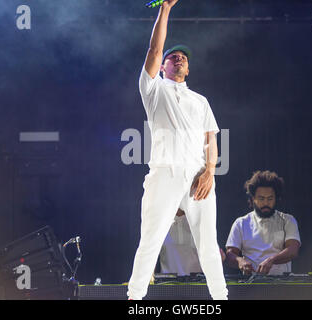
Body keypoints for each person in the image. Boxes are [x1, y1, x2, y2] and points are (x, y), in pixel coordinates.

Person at [127, 0, 228, 300]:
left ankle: (220, 299)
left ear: (189, 67)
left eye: (183, 58)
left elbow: (211, 140)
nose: (179, 59)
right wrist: (166, 9)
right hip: (165, 173)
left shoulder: (200, 101)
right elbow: (153, 52)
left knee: (208, 244)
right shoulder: (154, 91)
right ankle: (134, 298)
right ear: (164, 66)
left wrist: (210, 170)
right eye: (173, 57)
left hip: (198, 175)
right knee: (151, 239)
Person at [225, 170, 301, 275]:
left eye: (270, 199)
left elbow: (293, 250)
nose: (266, 203)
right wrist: (240, 261)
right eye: (261, 199)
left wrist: (271, 260)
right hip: (250, 284)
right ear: (253, 199)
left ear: (276, 199)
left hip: (282, 285)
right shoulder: (241, 223)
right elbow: (230, 254)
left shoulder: (288, 220)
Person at [159, 209, 226, 276]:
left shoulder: (201, 224)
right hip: (167, 283)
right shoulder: (161, 224)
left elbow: (214, 259)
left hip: (197, 283)